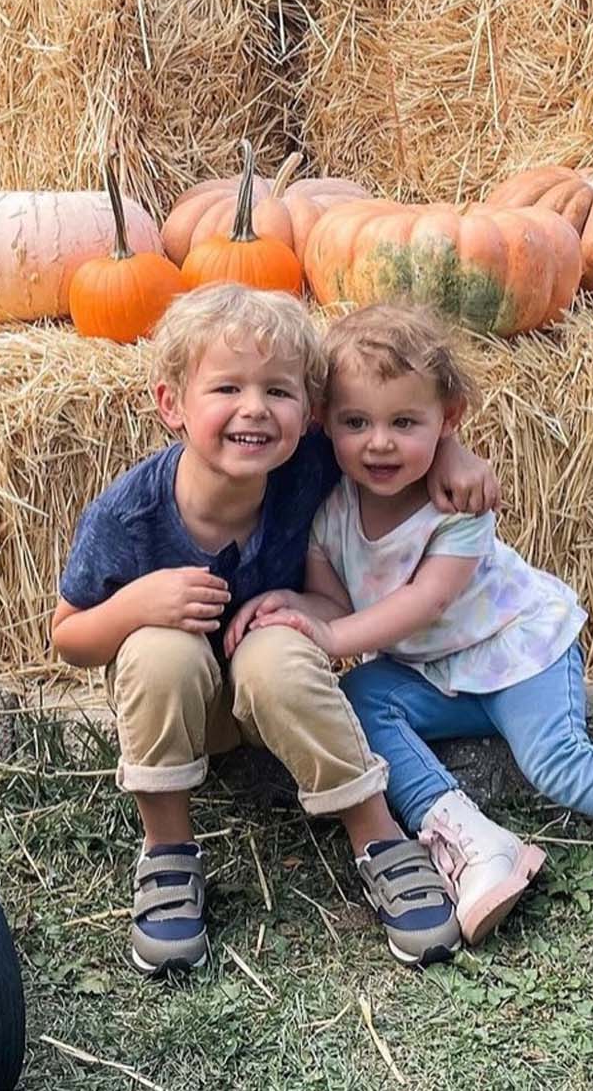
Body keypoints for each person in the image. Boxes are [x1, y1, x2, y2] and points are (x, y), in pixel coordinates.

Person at [234, 303, 593, 953]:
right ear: (324, 420)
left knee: (555, 762)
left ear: (449, 420)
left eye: (404, 423)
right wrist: (297, 606)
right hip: (435, 672)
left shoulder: (456, 505)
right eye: (356, 422)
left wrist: (332, 640)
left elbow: (425, 600)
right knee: (361, 701)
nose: (379, 442)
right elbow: (333, 603)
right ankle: (472, 838)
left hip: (518, 652)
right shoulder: (331, 514)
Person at [52, 283, 501, 975]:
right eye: (227, 388)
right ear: (171, 403)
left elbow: (391, 421)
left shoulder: (306, 465)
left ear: (309, 411)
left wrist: (450, 450)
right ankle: (167, 851)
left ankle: (378, 838)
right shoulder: (129, 515)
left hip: (273, 697)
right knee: (156, 650)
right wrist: (137, 603)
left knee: (278, 652)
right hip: (187, 708)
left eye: (279, 391)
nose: (255, 408)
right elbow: (68, 637)